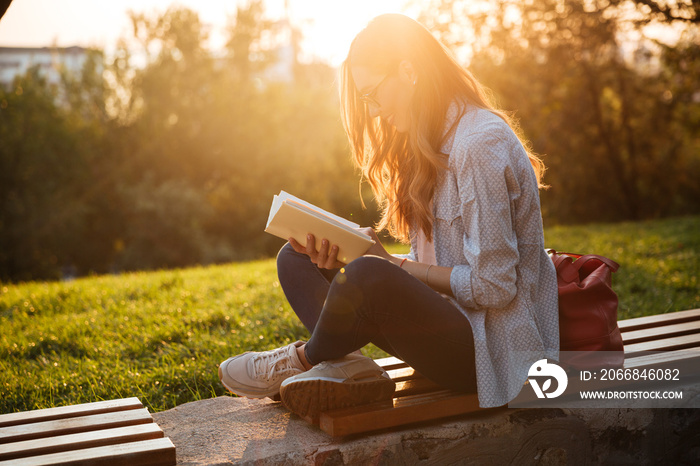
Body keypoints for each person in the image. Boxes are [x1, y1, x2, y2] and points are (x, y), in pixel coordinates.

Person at [218, 13, 559, 420]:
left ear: (408, 71)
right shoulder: (427, 144)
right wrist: (361, 251)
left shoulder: (478, 143)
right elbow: (436, 266)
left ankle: (302, 360)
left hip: (491, 352)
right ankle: (349, 365)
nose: (375, 111)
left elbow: (495, 287)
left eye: (374, 94)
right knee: (298, 257)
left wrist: (393, 266)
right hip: (444, 325)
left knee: (369, 276)